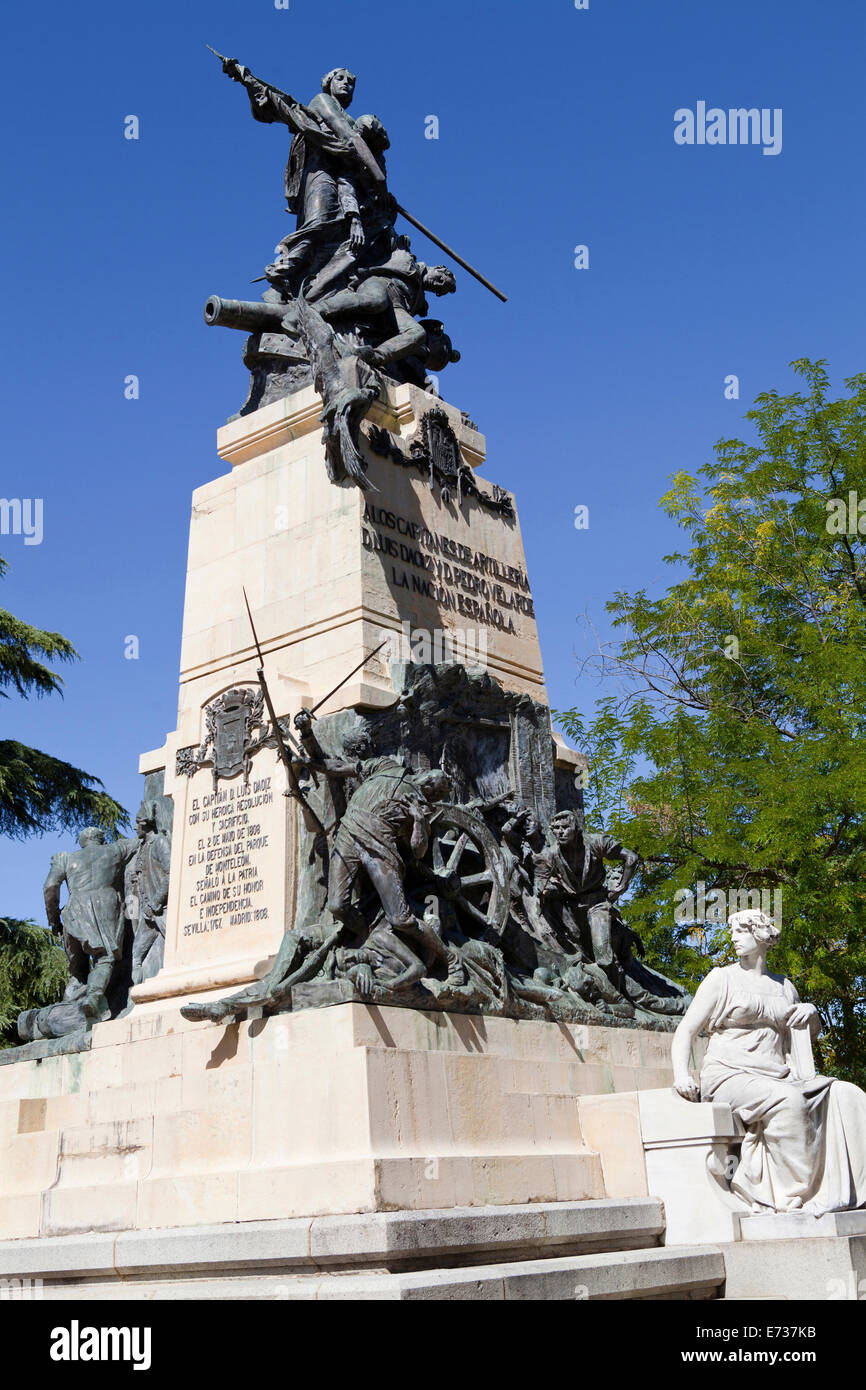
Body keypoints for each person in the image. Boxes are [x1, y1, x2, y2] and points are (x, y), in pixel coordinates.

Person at [672, 908, 866, 1214]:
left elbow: (807, 1035)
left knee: (848, 1094)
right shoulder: (721, 978)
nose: (733, 938)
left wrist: (812, 1014)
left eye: (740, 931)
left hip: (779, 1074)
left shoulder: (784, 986)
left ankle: (843, 1191)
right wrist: (681, 1074)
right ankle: (796, 1196)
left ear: (760, 936)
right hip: (729, 1076)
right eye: (732, 932)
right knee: (787, 1101)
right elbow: (685, 1030)